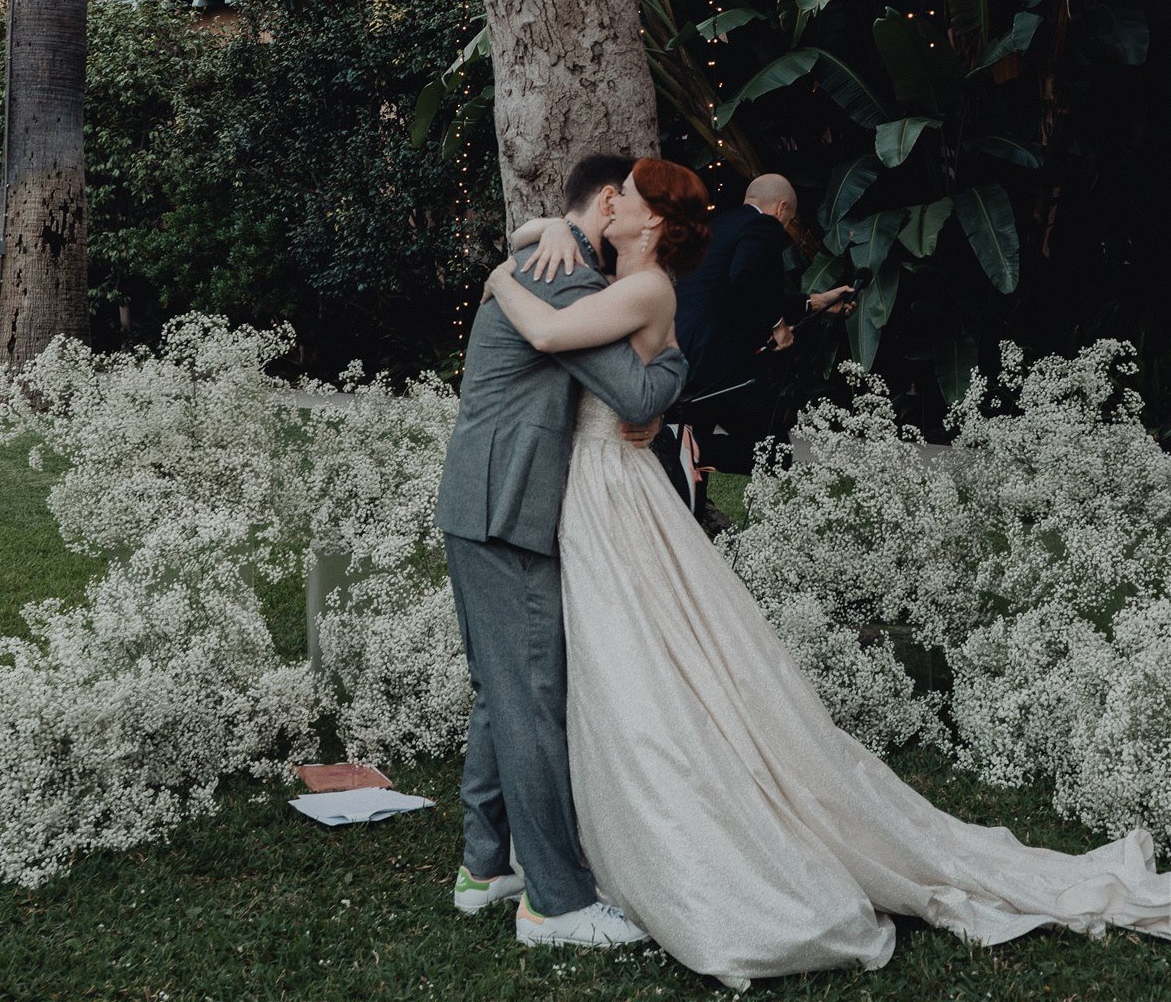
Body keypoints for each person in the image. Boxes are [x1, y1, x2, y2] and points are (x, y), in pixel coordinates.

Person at [488, 159, 1171, 984]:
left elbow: (558, 340)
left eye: (625, 195)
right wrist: (546, 231)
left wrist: (498, 274)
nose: (612, 201)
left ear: (650, 221)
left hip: (611, 495)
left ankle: (685, 854)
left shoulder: (645, 288)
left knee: (636, 661)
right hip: (597, 495)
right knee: (624, 656)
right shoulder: (607, 265)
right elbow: (582, 288)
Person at [434, 152, 688, 951]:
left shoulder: (536, 256)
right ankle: (555, 902)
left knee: (500, 691)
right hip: (510, 508)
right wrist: (675, 360)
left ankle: (486, 867)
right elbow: (639, 392)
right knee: (531, 701)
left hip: (478, 501)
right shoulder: (562, 278)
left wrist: (519, 244)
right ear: (611, 202)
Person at [675, 172, 854, 475]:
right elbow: (745, 277)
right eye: (789, 220)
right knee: (774, 452)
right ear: (781, 208)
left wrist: (817, 301)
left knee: (691, 450)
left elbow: (740, 294)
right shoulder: (763, 225)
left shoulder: (716, 225)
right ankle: (686, 448)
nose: (785, 228)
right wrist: (777, 325)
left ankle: (687, 474)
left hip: (687, 351)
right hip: (725, 360)